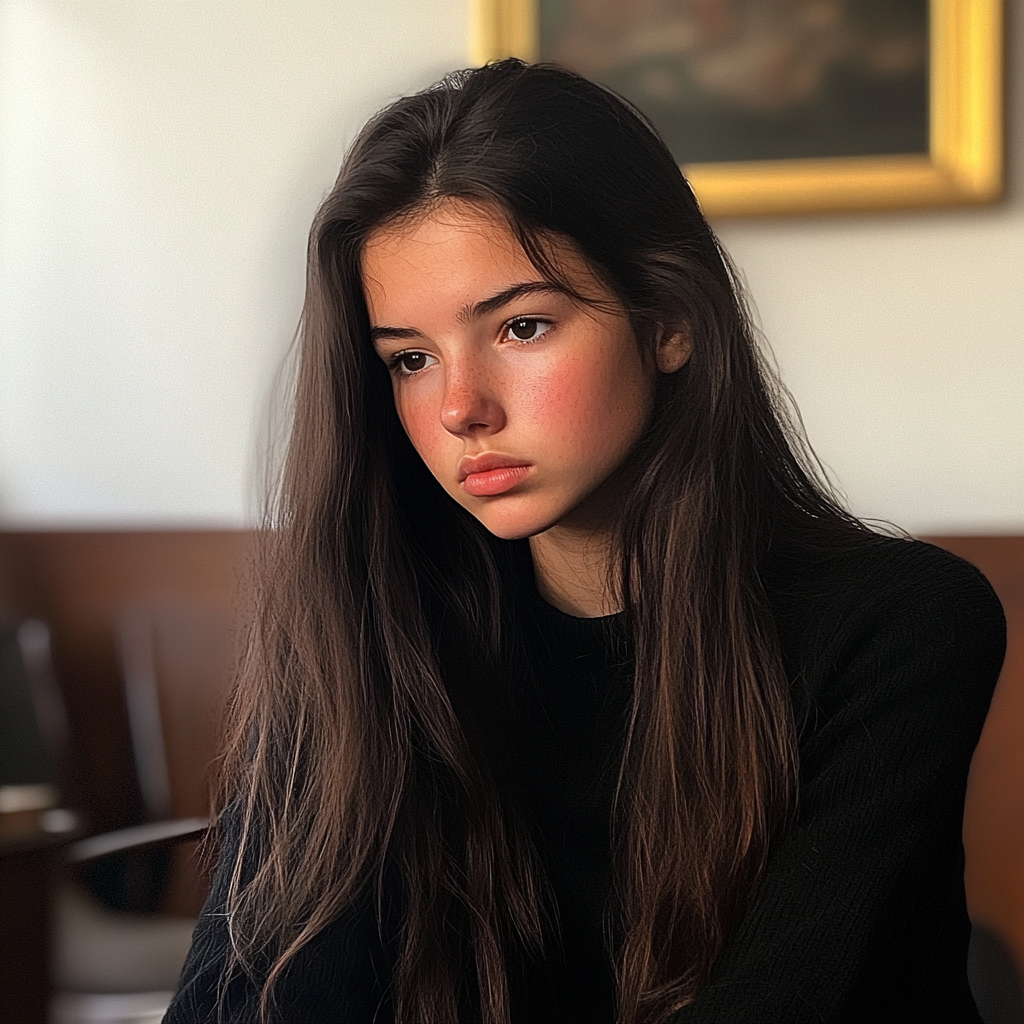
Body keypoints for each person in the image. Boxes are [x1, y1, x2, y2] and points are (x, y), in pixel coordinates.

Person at [164, 60, 1005, 1024]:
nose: (460, 409)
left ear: (670, 324)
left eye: (521, 327)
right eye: (410, 358)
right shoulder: (370, 642)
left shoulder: (902, 628)